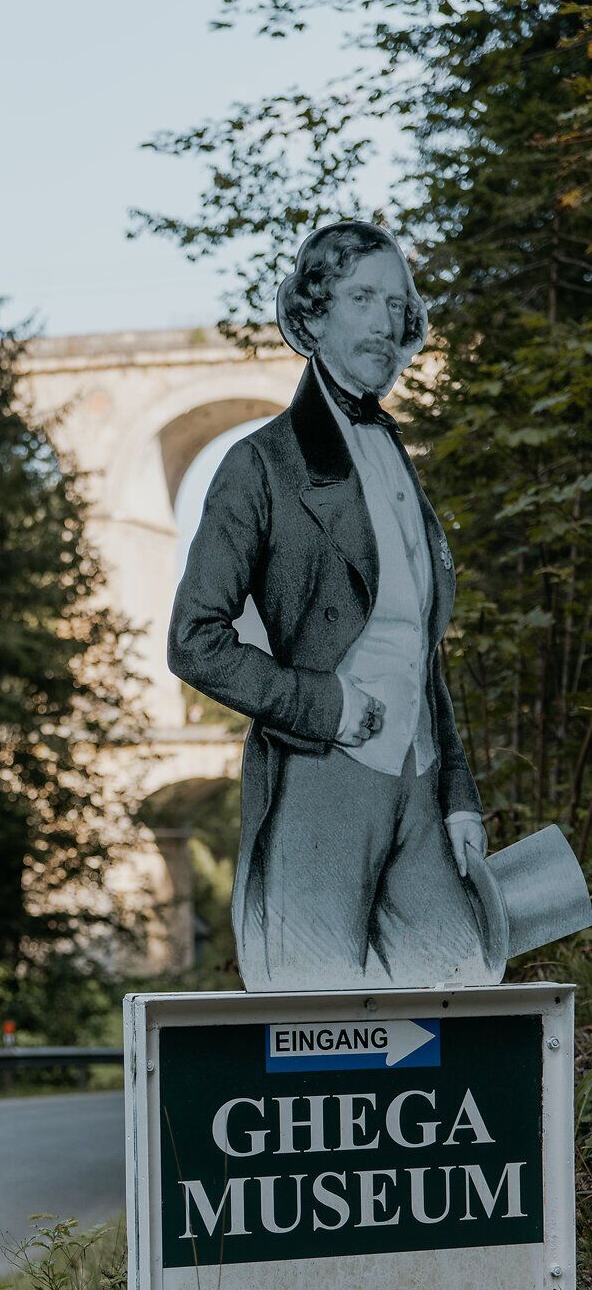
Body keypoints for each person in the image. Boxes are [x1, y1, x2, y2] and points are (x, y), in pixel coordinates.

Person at [168, 220, 489, 990]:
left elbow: (418, 652)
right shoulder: (259, 464)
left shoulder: (395, 458)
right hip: (319, 783)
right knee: (313, 1019)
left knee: (463, 998)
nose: (385, 321)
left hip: (420, 788)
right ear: (311, 316)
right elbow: (193, 640)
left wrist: (457, 798)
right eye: (361, 298)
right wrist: (325, 705)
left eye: (397, 303)